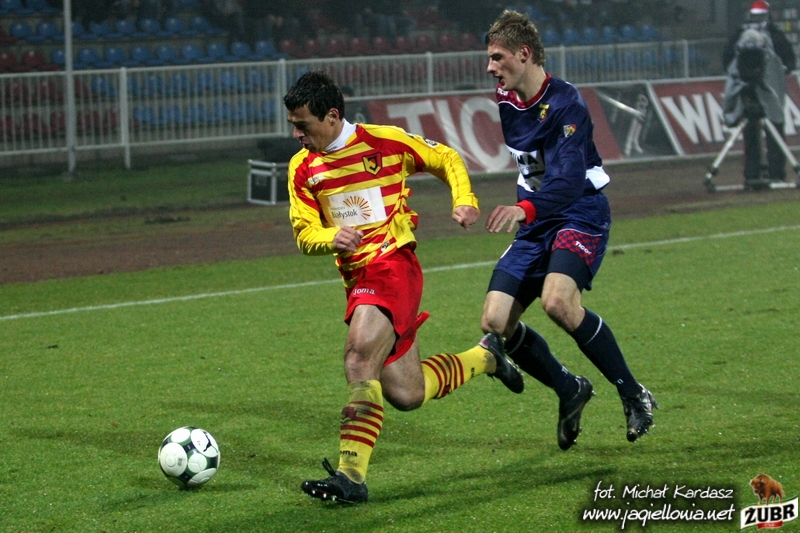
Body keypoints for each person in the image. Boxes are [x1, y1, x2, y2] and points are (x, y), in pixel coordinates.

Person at [284, 71, 524, 504]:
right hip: (358, 280)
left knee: (359, 357)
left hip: (393, 266)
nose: (297, 134)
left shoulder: (385, 142)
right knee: (407, 393)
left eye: (303, 125)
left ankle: (350, 477)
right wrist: (331, 237)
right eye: (293, 126)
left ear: (332, 116)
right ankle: (486, 356)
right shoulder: (302, 168)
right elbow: (304, 233)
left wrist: (464, 200)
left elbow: (445, 157)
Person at [480, 10, 657, 449]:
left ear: (524, 54)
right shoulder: (505, 95)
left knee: (558, 302)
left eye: (498, 57)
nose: (490, 67)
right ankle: (569, 388)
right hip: (536, 219)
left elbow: (568, 183)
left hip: (579, 210)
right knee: (495, 322)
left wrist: (523, 208)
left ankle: (633, 393)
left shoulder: (567, 105)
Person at [722, 0, 796, 186]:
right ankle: (776, 173)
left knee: (751, 132)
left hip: (747, 92)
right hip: (771, 93)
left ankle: (752, 174)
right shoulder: (775, 34)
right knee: (775, 131)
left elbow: (727, 59)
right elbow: (789, 60)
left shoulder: (740, 35)